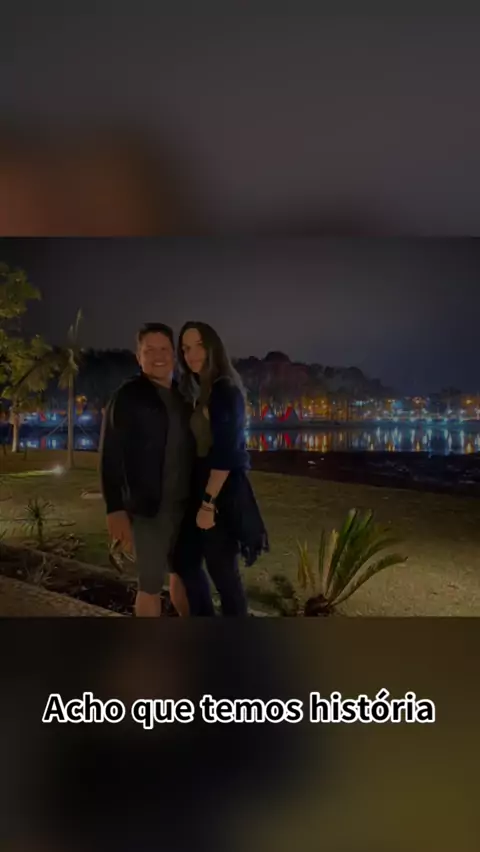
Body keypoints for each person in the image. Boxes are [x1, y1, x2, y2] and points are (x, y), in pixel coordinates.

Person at [170, 321, 269, 617]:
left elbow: (227, 453)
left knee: (223, 574)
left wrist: (208, 504)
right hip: (198, 488)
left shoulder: (225, 391)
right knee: (184, 561)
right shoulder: (200, 389)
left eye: (199, 346)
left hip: (220, 494)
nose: (192, 354)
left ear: (213, 347)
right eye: (186, 348)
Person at [100, 322, 195, 617]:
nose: (158, 356)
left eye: (163, 349)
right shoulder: (128, 396)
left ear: (174, 354)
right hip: (148, 510)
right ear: (138, 356)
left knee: (185, 577)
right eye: (149, 350)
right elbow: (110, 454)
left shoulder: (184, 395)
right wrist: (115, 508)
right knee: (150, 585)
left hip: (186, 507)